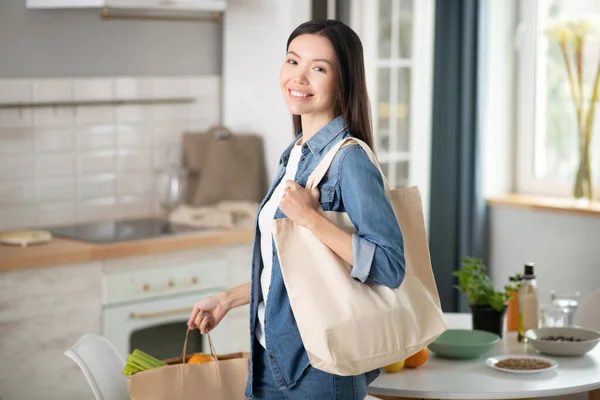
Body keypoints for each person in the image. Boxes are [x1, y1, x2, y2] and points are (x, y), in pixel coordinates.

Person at [187, 19, 406, 400]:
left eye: (318, 69)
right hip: (271, 362)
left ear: (343, 82)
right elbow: (291, 273)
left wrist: (311, 220)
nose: (299, 77)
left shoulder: (348, 160)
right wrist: (227, 299)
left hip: (320, 370)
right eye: (292, 62)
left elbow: (390, 265)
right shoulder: (296, 153)